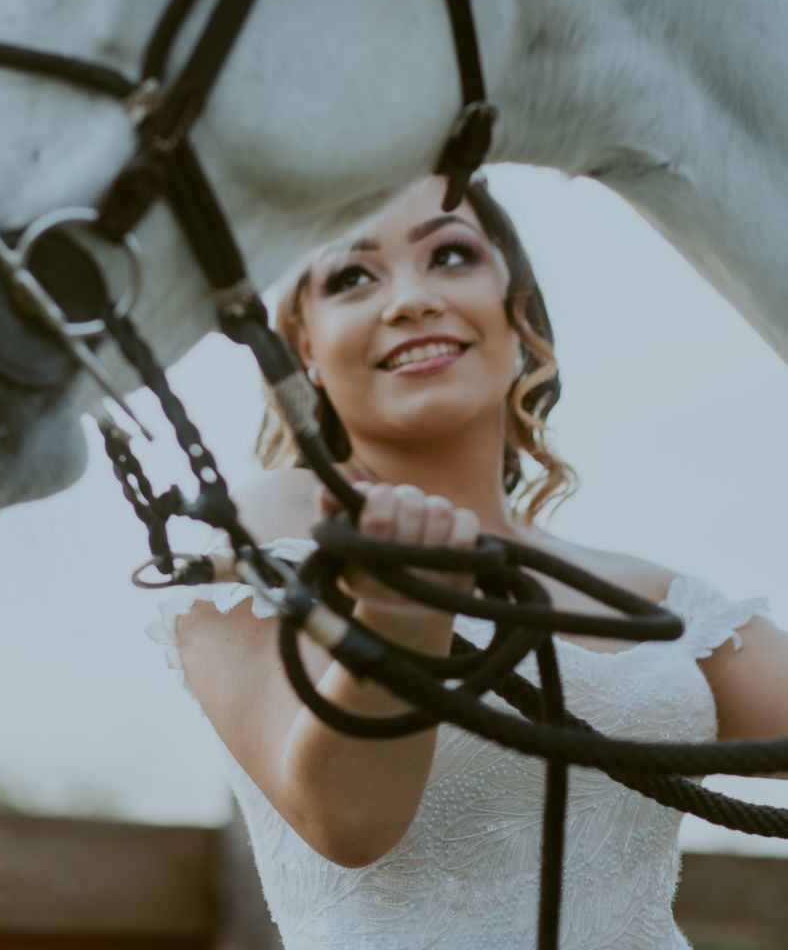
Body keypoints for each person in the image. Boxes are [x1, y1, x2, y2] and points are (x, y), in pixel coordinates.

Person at [148, 173, 787, 949]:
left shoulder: (659, 596)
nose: (411, 299)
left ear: (516, 310)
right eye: (353, 277)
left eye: (450, 257)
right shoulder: (271, 533)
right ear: (304, 348)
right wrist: (400, 616)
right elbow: (345, 820)